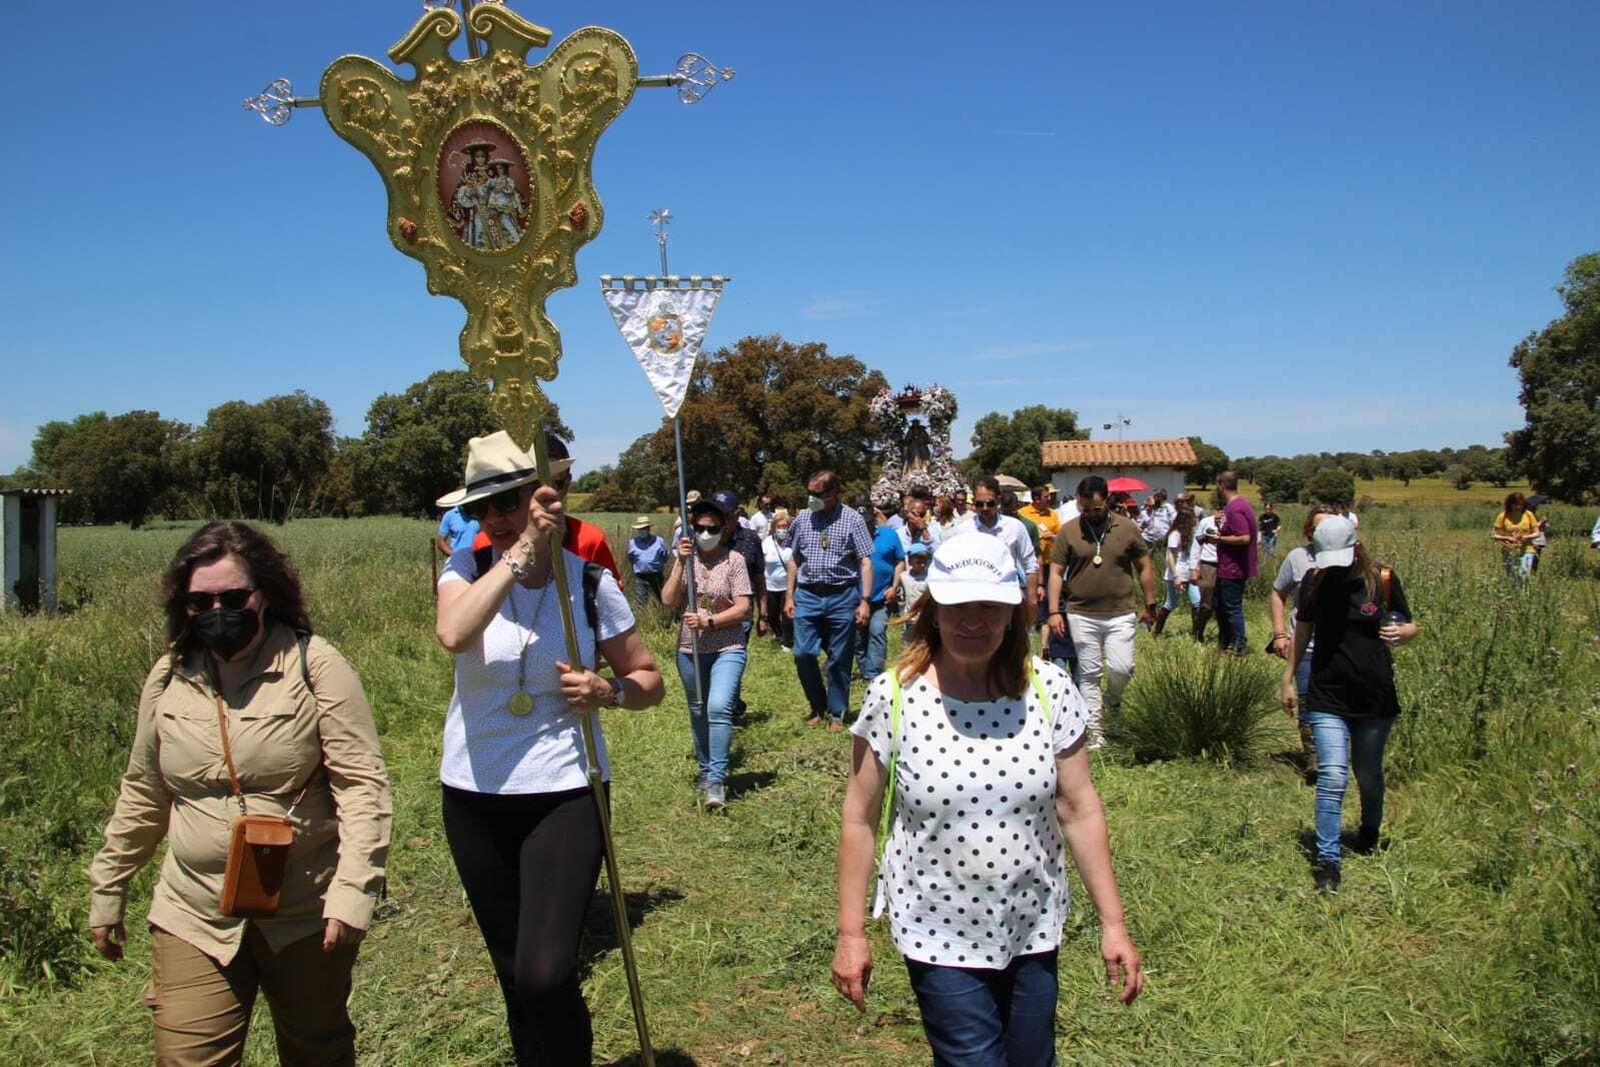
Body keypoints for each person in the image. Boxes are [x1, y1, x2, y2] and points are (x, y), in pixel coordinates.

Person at [88, 521, 392, 1065]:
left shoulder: (314, 664)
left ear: (265, 595)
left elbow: (362, 785)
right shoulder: (169, 676)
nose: (216, 611)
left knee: (316, 1047)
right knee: (187, 1055)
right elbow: (143, 790)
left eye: (232, 597)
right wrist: (109, 884)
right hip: (194, 911)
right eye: (200, 600)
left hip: (304, 911)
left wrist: (353, 891)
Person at [831, 536, 1142, 1062]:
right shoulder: (895, 696)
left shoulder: (1050, 690)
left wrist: (1114, 924)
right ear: (933, 609)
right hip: (935, 926)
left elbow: (1079, 807)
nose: (973, 621)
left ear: (1014, 610)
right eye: (958, 606)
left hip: (1033, 923)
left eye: (988, 607)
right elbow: (858, 821)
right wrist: (850, 933)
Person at [433, 431, 664, 1064]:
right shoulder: (466, 570)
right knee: (514, 975)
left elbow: (649, 681)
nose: (494, 520)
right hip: (473, 793)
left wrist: (607, 691)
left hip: (564, 789)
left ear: (544, 495)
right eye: (482, 509)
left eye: (506, 503)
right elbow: (454, 631)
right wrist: (519, 552)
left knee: (546, 972)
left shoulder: (590, 585)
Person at [1281, 516, 1418, 893]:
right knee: (1332, 777)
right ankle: (1328, 862)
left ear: (1357, 545)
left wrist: (1404, 632)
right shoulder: (1314, 580)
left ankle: (1369, 832)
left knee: (1368, 773)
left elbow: (1410, 624)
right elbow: (1302, 632)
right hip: (1327, 693)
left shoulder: (1383, 579)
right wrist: (1288, 679)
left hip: (1375, 695)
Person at [1046, 476, 1158, 747]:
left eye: (1096, 509)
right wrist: (1053, 611)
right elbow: (1056, 572)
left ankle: (1113, 701)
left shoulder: (1127, 527)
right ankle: (1096, 732)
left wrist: (1150, 604)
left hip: (1120, 612)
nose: (1091, 514)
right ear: (1078, 502)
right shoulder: (1070, 531)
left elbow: (1144, 566)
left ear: (1106, 500)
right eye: (1085, 509)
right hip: (1081, 613)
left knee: (1122, 668)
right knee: (1090, 673)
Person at [662, 498, 752, 809]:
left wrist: (709, 620)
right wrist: (678, 562)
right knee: (698, 710)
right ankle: (704, 769)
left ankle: (716, 779)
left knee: (717, 708)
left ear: (723, 528)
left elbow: (743, 607)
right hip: (690, 648)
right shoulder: (687, 561)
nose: (705, 533)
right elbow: (669, 600)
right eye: (699, 528)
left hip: (727, 646)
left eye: (711, 528)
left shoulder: (735, 561)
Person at [786, 470, 874, 731]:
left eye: (818, 494)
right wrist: (789, 595)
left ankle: (837, 712)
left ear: (834, 493)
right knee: (802, 652)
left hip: (842, 595)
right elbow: (793, 559)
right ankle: (817, 705)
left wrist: (865, 600)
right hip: (808, 594)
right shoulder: (802, 519)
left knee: (839, 657)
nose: (811, 498)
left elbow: (865, 561)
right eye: (809, 493)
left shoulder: (853, 520)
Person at [469, 432, 620, 581]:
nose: (547, 493)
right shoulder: (485, 544)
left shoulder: (590, 539)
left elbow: (606, 593)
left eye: (555, 483)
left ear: (566, 485)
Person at [1268, 504, 1334, 780]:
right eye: (1317, 526)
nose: (1323, 532)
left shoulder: (1353, 560)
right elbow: (1277, 593)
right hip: (1305, 645)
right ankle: (1314, 757)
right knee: (1307, 700)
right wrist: (1280, 633)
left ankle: (1336, 752)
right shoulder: (1298, 558)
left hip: (1340, 646)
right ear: (1309, 531)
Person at [967, 477, 1041, 605]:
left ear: (998, 499)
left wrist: (1032, 599)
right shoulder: (963, 531)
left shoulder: (1015, 527)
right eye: (979, 504)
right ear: (973, 502)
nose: (985, 508)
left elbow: (1030, 564)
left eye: (990, 503)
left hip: (1009, 596)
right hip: (976, 599)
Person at [1210, 471, 1258, 654]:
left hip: (1233, 567)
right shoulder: (1238, 505)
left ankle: (1239, 646)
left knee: (1231, 608)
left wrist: (1219, 538)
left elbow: (1244, 537)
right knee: (1220, 605)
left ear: (1221, 485)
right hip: (1229, 566)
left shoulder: (1235, 507)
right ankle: (1227, 642)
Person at [858, 502, 907, 682]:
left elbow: (900, 561)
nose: (866, 526)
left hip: (881, 595)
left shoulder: (889, 535)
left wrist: (894, 586)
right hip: (856, 596)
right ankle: (864, 668)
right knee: (859, 638)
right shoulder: (849, 536)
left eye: (868, 521)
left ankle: (873, 674)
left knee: (877, 631)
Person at [1154, 503, 1200, 636]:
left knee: (1197, 602)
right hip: (1176, 574)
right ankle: (1157, 632)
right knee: (1170, 603)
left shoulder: (1190, 534)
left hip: (1189, 573)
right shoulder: (1175, 534)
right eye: (1192, 518)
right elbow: (1170, 556)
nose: (1194, 521)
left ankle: (1196, 635)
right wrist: (1176, 576)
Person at [760, 509, 795, 649]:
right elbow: (761, 562)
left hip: (788, 586)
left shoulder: (792, 542)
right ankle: (779, 634)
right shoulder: (767, 543)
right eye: (779, 527)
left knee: (787, 614)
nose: (781, 529)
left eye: (784, 526)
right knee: (772, 615)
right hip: (770, 585)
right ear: (774, 528)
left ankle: (787, 641)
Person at [1492, 491, 1540, 579]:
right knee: (1512, 577)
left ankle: (1524, 591)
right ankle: (1515, 592)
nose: (1518, 507)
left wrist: (1527, 537)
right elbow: (1494, 535)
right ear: (1510, 504)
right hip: (1509, 550)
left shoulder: (1529, 515)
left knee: (1523, 574)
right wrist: (1506, 538)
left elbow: (1537, 533)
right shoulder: (1503, 516)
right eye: (1514, 504)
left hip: (1527, 550)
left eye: (1520, 504)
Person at [890, 542, 931, 642]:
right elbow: (902, 596)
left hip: (925, 618)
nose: (921, 565)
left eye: (924, 562)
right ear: (910, 561)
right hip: (910, 618)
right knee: (909, 644)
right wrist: (897, 596)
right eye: (918, 562)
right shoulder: (904, 576)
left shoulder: (930, 578)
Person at [1191, 503, 1220, 642]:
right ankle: (1198, 633)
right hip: (1208, 564)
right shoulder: (1205, 522)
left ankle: (1224, 635)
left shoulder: (1231, 523)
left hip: (1225, 565)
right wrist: (1194, 568)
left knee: (1222, 603)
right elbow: (1196, 545)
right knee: (1206, 604)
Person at [624, 516, 668, 607]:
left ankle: (665, 616)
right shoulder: (632, 543)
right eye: (639, 529)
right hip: (641, 576)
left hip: (656, 576)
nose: (641, 531)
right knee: (640, 601)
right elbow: (631, 558)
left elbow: (665, 556)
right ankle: (641, 620)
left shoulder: (659, 541)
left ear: (648, 529)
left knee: (662, 599)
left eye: (643, 528)